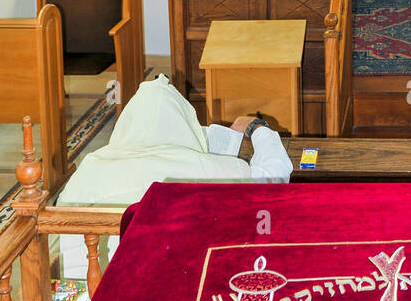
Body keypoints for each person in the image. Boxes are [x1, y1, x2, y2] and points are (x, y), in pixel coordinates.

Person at [56, 74, 291, 278]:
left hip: (96, 297)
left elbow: (64, 250)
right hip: (188, 290)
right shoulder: (215, 170)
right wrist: (257, 128)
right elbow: (275, 179)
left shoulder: (87, 172)